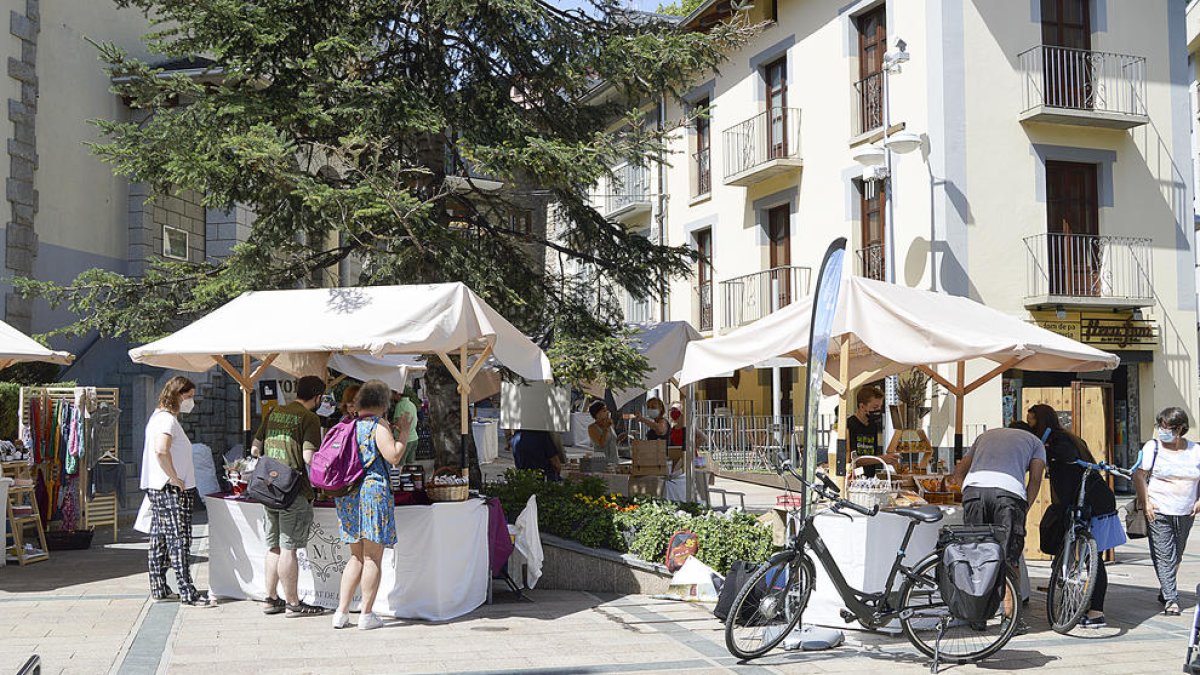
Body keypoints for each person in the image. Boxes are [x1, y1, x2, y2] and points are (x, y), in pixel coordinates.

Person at [1028, 403, 1122, 628]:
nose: (1030, 424)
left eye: (1032, 420)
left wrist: (1048, 449)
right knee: (1083, 554)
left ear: (1041, 421)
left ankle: (1096, 612)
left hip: (1092, 501)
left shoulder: (1059, 441)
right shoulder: (1066, 438)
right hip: (1082, 501)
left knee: (1094, 557)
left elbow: (1069, 459)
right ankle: (1084, 604)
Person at [332, 380, 414, 630]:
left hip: (348, 496)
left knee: (355, 557)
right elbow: (394, 456)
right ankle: (366, 615)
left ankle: (341, 613)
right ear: (383, 404)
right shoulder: (376, 425)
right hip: (371, 495)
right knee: (372, 558)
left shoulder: (349, 425)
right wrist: (403, 432)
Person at [951, 422, 1046, 632]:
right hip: (1009, 495)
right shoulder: (1035, 442)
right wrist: (1026, 507)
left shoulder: (985, 436)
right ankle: (1010, 619)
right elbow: (1036, 479)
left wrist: (967, 491)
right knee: (1008, 557)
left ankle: (976, 616)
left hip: (974, 491)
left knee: (976, 555)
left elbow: (958, 471)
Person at [251, 375, 327, 618]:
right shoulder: (309, 418)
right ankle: (293, 603)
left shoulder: (274, 413)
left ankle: (271, 598)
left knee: (273, 547)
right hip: (293, 491)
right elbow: (308, 457)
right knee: (288, 549)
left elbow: (255, 448)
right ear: (317, 396)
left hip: (268, 489)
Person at [140, 376, 210, 606]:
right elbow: (162, 450)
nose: (191, 401)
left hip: (160, 487)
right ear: (178, 395)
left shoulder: (158, 418)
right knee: (179, 540)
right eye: (189, 397)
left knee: (160, 539)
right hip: (170, 489)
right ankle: (187, 591)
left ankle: (159, 587)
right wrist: (174, 477)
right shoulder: (167, 421)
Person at [1133, 406, 1200, 616]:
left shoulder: (1195, 450)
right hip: (1158, 508)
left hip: (1186, 510)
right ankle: (1171, 599)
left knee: (1177, 554)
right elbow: (1139, 476)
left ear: (1180, 429)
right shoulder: (1153, 447)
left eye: (1168, 427)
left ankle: (1166, 589)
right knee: (1164, 555)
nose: (1163, 431)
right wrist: (1147, 503)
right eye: (1160, 426)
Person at [847, 386, 895, 477]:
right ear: (862, 406)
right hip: (853, 479)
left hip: (870, 479)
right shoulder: (849, 425)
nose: (878, 410)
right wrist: (882, 459)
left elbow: (873, 454)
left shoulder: (873, 426)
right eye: (875, 407)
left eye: (880, 407)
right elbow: (852, 460)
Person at [391, 387, 421, 464]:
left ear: (398, 394)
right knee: (410, 465)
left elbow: (399, 424)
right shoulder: (412, 404)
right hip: (414, 437)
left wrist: (392, 426)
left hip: (404, 440)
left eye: (392, 394)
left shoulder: (400, 405)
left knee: (401, 465)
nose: (391, 396)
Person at [587, 400, 619, 465]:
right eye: (604, 411)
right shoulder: (592, 428)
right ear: (597, 414)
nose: (607, 412)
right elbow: (601, 444)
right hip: (601, 461)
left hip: (614, 460)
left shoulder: (610, 424)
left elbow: (614, 440)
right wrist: (606, 428)